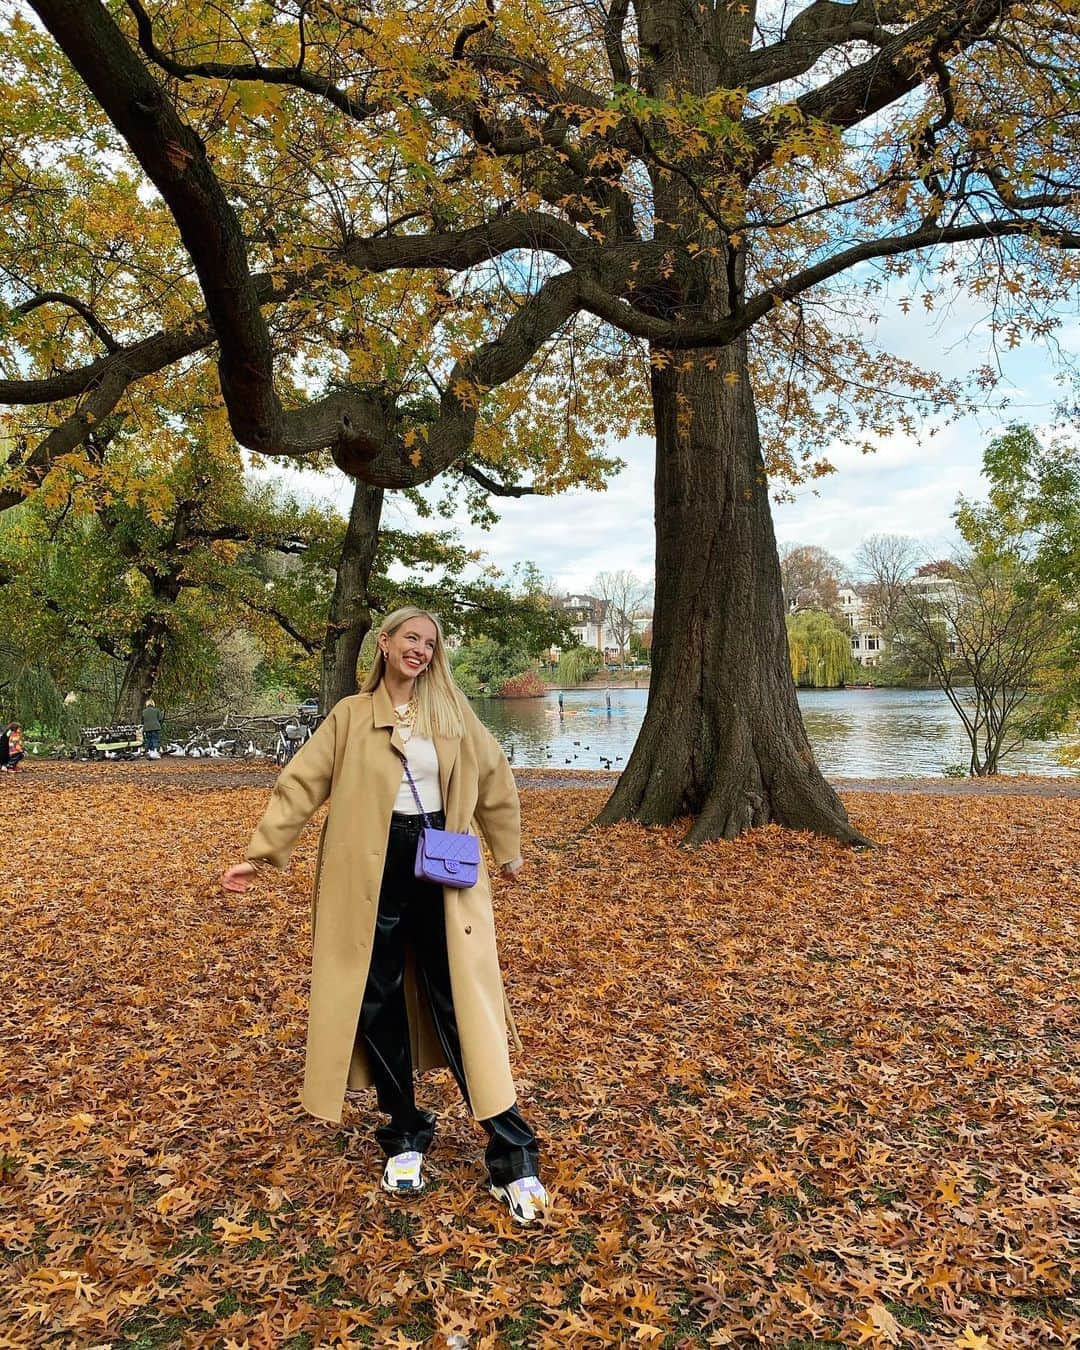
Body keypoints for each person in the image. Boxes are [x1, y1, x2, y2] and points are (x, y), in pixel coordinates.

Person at [221, 607, 548, 1223]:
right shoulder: (350, 716)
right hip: (367, 871)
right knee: (376, 999)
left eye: (430, 643)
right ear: (385, 642)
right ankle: (404, 1131)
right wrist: (261, 854)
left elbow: (495, 776)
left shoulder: (451, 713)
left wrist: (508, 851)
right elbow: (300, 784)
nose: (420, 650)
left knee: (458, 1001)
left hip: (438, 862)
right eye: (411, 639)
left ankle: (512, 1151)